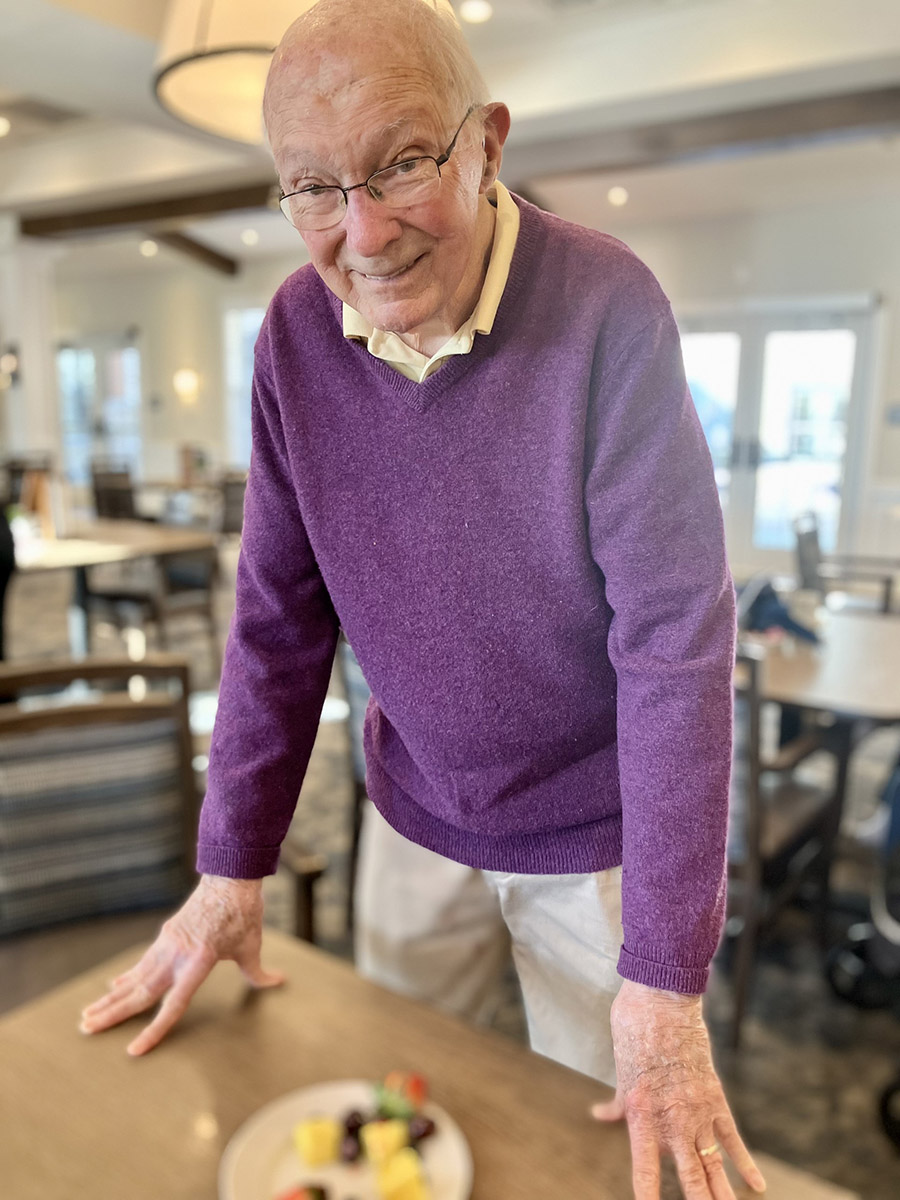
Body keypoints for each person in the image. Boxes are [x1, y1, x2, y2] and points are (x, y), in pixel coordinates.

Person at [81, 2, 766, 1196]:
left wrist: (664, 975)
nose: (365, 232)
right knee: (403, 1116)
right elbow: (277, 619)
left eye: (401, 163)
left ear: (486, 141)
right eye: (312, 189)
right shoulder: (293, 335)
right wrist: (228, 869)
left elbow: (675, 648)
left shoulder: (608, 305)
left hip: (594, 833)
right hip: (414, 810)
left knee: (607, 1152)